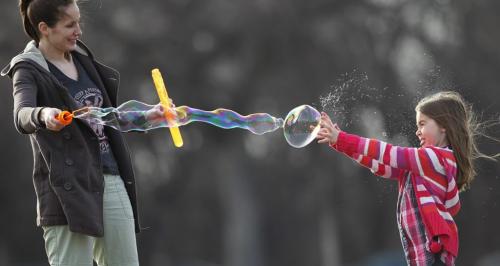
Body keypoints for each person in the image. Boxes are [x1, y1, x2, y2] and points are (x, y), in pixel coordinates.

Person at [1, 0, 168, 265]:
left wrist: (148, 117)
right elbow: (21, 114)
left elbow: (105, 117)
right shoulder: (26, 68)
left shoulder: (84, 62)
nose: (78, 30)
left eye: (79, 22)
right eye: (70, 24)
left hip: (110, 179)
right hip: (67, 189)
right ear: (44, 28)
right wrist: (44, 115)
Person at [316, 91, 495, 265]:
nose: (418, 131)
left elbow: (387, 153)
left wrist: (341, 138)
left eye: (422, 124)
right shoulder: (420, 166)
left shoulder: (434, 158)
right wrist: (338, 142)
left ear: (443, 125)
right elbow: (380, 165)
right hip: (422, 256)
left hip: (433, 257)